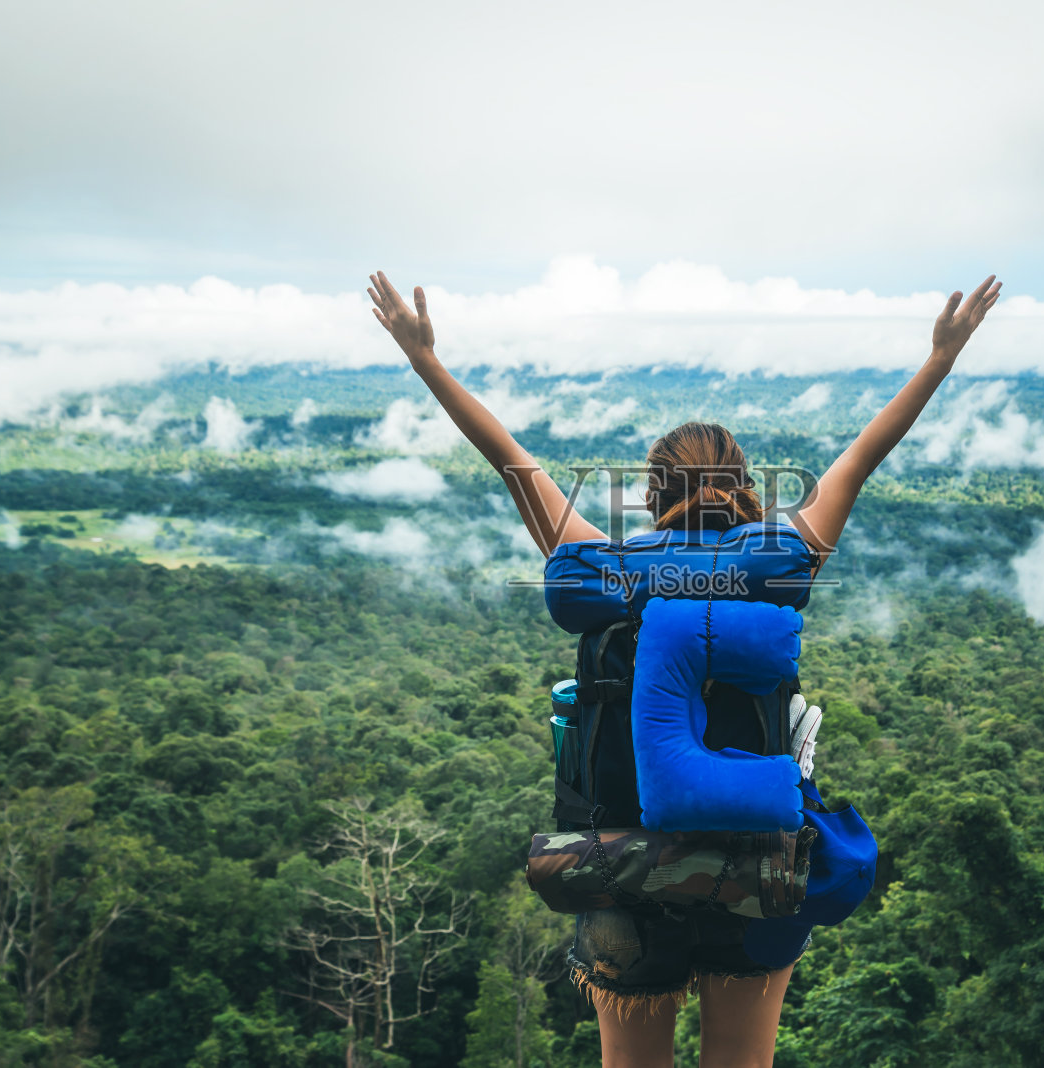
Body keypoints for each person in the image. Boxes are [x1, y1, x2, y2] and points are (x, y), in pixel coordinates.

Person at [367, 269, 1001, 1068]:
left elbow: (511, 462)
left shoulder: (601, 569)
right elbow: (860, 459)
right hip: (757, 865)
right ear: (744, 492)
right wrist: (941, 358)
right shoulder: (780, 563)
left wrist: (425, 360)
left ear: (650, 495)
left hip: (622, 864)